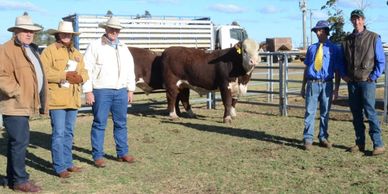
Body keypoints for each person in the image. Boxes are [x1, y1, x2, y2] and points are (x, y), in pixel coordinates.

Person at [0, 13, 47, 192]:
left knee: (17, 142)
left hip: (24, 104)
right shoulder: (6, 49)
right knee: (20, 142)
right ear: (16, 31)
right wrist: (17, 91)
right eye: (25, 31)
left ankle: (13, 179)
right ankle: (20, 181)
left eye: (31, 31)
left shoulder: (31, 49)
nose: (29, 34)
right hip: (14, 104)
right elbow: (1, 75)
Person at [82, 16, 136, 167]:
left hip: (121, 90)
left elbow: (130, 70)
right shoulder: (95, 46)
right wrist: (88, 91)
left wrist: (130, 89)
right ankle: (98, 155)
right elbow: (86, 69)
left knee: (121, 123)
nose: (114, 32)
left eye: (117, 29)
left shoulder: (124, 48)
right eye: (111, 29)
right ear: (105, 29)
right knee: (99, 123)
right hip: (101, 90)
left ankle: (122, 152)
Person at [40, 21, 89, 178]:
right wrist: (64, 75)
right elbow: (44, 72)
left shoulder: (76, 53)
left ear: (72, 36)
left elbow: (85, 71)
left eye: (69, 34)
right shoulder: (49, 51)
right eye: (64, 33)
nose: (67, 36)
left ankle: (68, 163)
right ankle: (59, 166)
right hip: (57, 100)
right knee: (59, 133)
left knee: (69, 133)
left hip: (73, 99)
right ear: (58, 35)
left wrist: (81, 77)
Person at [342, 9, 385, 156]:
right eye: (354, 19)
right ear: (351, 21)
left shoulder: (373, 38)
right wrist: (344, 75)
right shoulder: (347, 40)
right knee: (356, 113)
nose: (357, 21)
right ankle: (360, 142)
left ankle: (378, 144)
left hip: (367, 81)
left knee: (370, 112)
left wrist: (373, 77)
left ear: (363, 20)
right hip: (352, 82)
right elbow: (342, 61)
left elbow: (380, 61)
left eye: (359, 18)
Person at [300, 20, 344, 150]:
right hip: (312, 83)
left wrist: (336, 89)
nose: (317, 33)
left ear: (325, 31)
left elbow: (337, 70)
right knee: (310, 111)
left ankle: (323, 137)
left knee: (325, 112)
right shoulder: (312, 48)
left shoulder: (334, 49)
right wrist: (303, 86)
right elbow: (307, 68)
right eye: (316, 31)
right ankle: (308, 138)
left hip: (327, 84)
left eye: (320, 30)